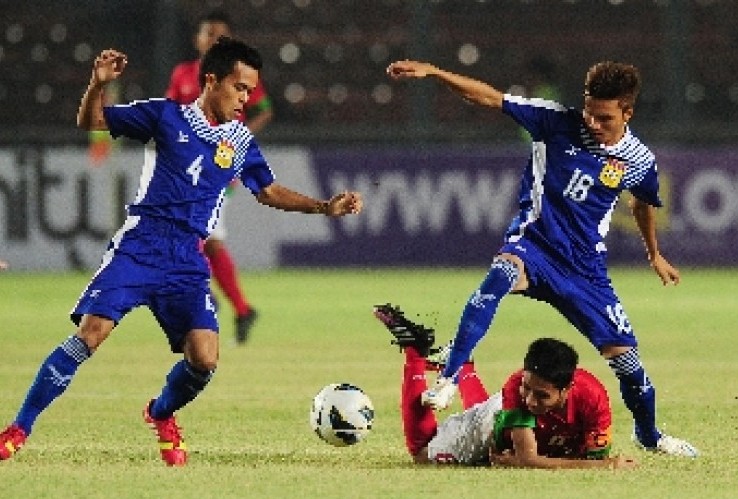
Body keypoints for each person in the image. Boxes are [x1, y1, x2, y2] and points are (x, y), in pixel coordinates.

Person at [0, 38, 362, 466]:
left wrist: (323, 207)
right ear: (211, 80)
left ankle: (160, 414)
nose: (246, 99)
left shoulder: (240, 141)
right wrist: (98, 85)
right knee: (92, 333)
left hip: (188, 259)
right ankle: (18, 428)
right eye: (240, 87)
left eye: (250, 91)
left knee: (205, 358)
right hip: (141, 245)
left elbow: (267, 190)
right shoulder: (165, 115)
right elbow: (92, 121)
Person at [386, 59, 698, 457]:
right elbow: (488, 97)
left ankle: (650, 435)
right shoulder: (554, 121)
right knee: (499, 277)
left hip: (584, 270)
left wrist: (653, 253)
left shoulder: (638, 160)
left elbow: (643, 202)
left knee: (630, 365)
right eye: (588, 112)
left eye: (603, 118)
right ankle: (448, 376)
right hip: (532, 246)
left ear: (627, 113)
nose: (592, 123)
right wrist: (435, 73)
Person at [373, 304, 636, 469]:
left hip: (503, 419)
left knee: (482, 409)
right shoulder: (516, 389)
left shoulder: (595, 398)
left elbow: (590, 459)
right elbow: (529, 460)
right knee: (422, 454)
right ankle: (415, 352)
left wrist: (599, 463)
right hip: (491, 423)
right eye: (528, 388)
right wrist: (607, 466)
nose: (531, 400)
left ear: (567, 389)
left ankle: (463, 365)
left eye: (542, 395)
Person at [166, 10, 274, 344]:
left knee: (197, 235)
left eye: (221, 35)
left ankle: (204, 297)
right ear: (198, 39)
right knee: (209, 241)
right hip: (186, 167)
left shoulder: (238, 75)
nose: (215, 40)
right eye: (209, 34)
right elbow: (169, 114)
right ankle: (240, 309)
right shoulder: (183, 74)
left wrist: (237, 135)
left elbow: (265, 109)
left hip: (219, 164)